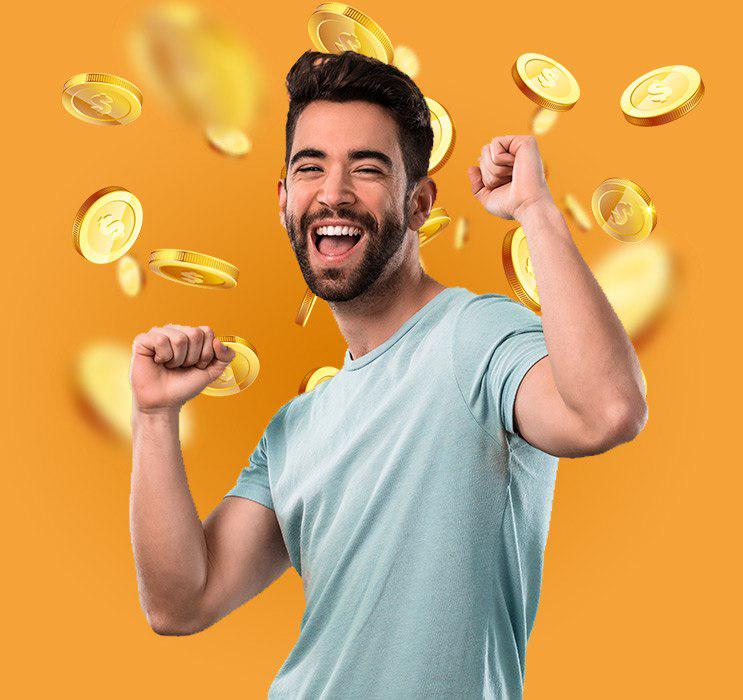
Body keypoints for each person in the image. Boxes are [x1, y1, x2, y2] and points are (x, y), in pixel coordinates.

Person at [129, 50, 648, 698]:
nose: (333, 193)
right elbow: (180, 603)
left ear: (419, 201)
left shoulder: (475, 336)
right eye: (309, 167)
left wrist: (535, 212)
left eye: (367, 168)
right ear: (285, 202)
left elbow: (606, 411)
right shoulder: (295, 428)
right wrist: (154, 417)